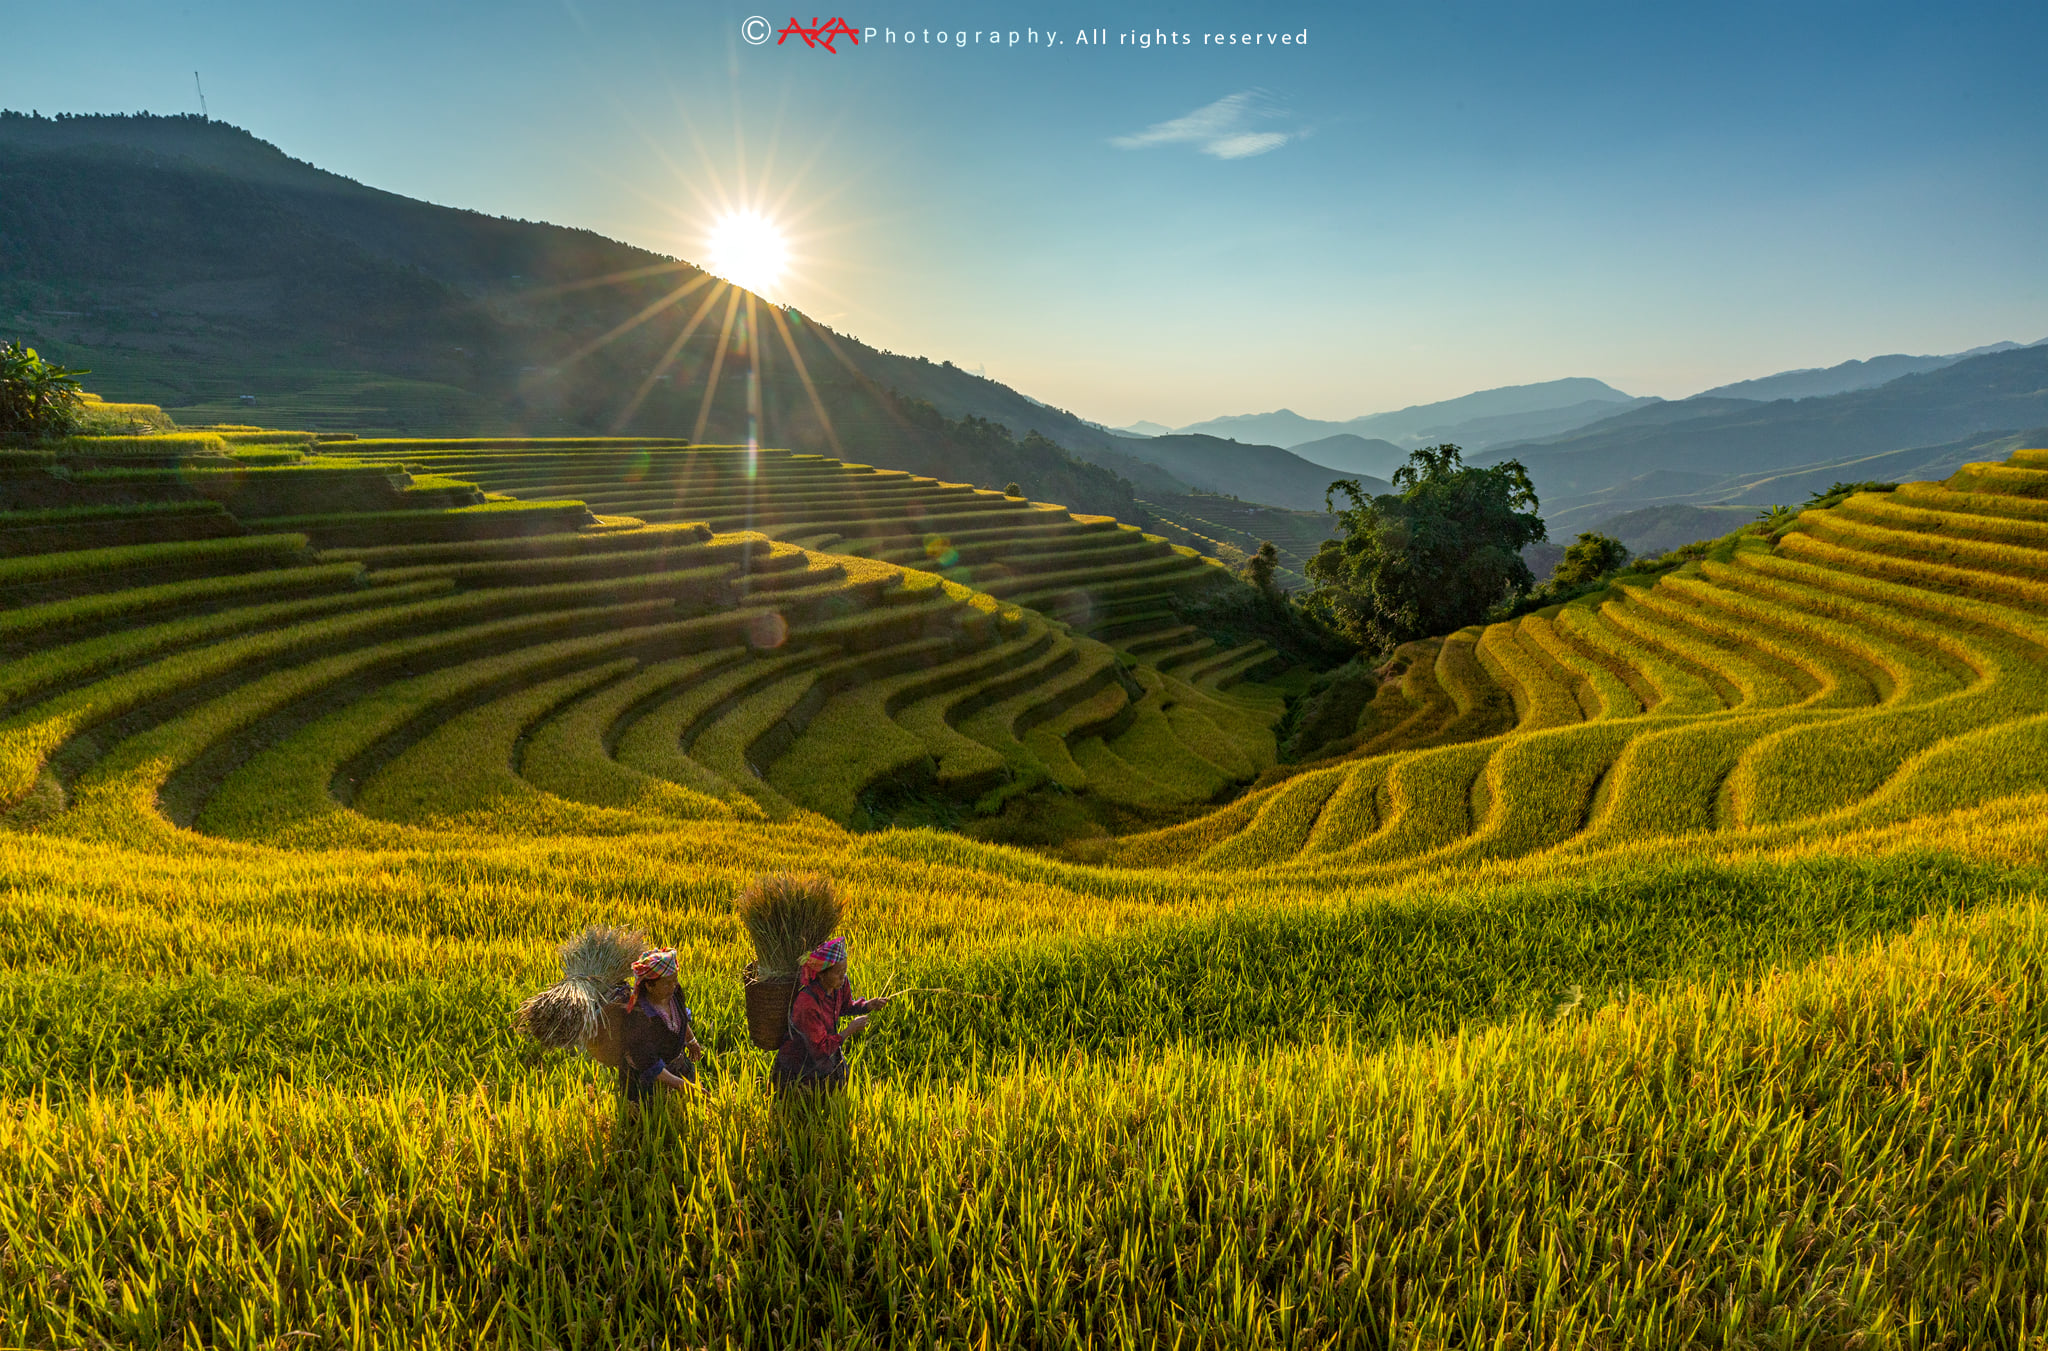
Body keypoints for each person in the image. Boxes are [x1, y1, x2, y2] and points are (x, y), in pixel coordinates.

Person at [772, 936, 890, 1094]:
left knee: (836, 1102)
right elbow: (819, 1048)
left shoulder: (840, 985)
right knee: (803, 1109)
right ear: (821, 974)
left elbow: (846, 1007)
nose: (843, 977)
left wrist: (868, 1005)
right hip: (798, 1067)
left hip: (825, 1059)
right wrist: (849, 1030)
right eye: (838, 973)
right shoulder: (807, 1003)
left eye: (845, 971)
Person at [612, 947, 704, 1102]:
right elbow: (649, 1063)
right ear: (649, 986)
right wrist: (684, 1086)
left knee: (689, 1109)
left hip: (676, 1062)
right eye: (667, 983)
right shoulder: (637, 1016)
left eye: (675, 980)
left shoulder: (674, 991)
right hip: (646, 1078)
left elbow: (680, 1016)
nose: (674, 985)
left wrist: (691, 1040)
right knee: (650, 1120)